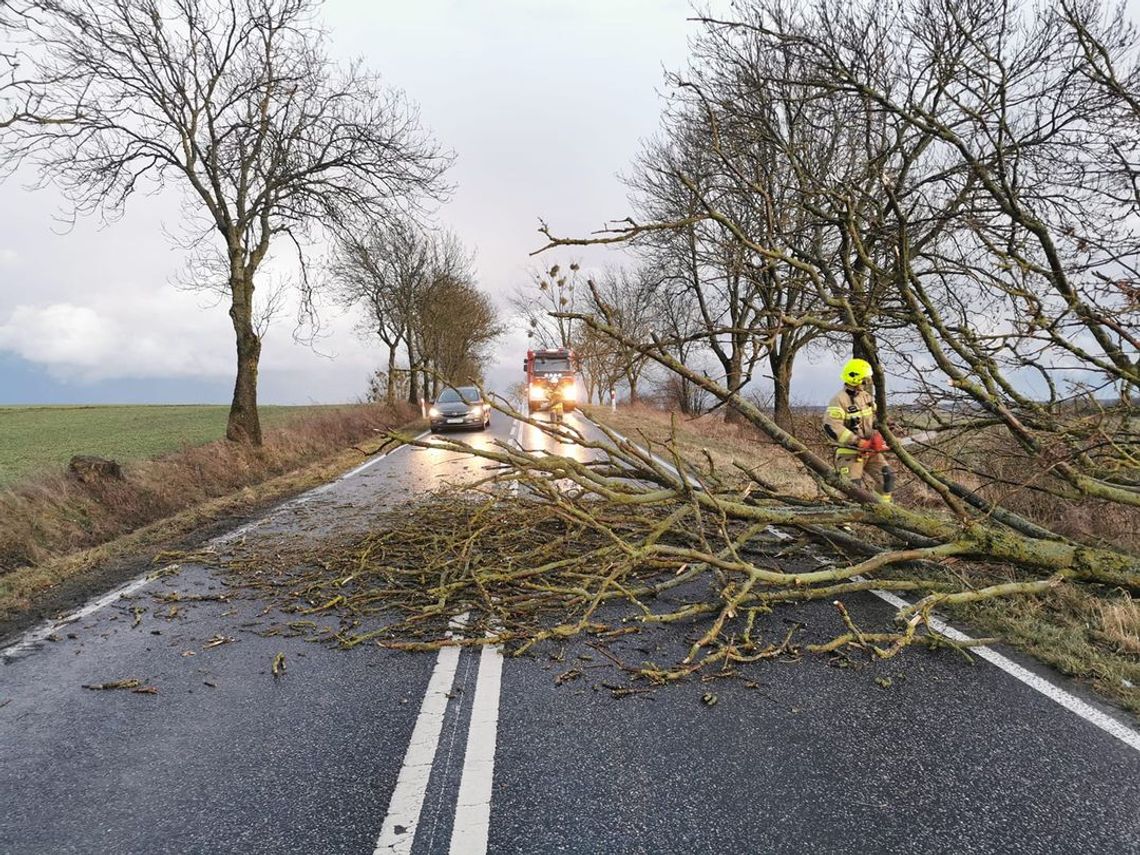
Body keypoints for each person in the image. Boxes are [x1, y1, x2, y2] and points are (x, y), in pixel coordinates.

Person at [823, 358, 895, 502]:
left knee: (887, 477)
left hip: (870, 451)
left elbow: (873, 418)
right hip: (849, 452)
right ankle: (847, 516)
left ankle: (881, 510)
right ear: (855, 378)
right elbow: (831, 426)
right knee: (852, 489)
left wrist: (886, 425)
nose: (866, 382)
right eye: (864, 379)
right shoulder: (839, 400)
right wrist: (857, 442)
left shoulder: (866, 397)